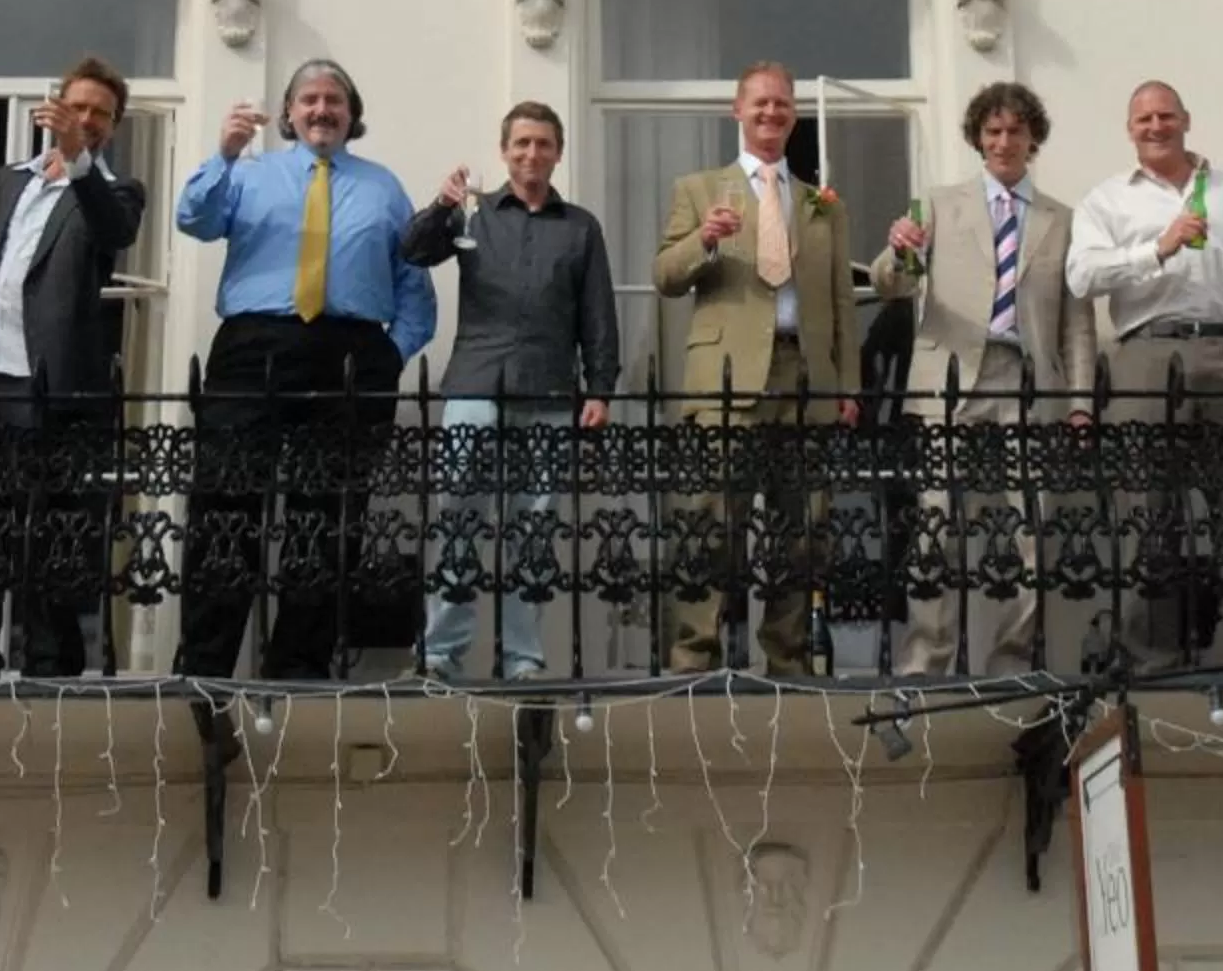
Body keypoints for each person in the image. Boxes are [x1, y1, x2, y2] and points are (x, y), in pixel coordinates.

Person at [174, 58, 436, 679]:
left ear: (352, 115)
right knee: (227, 507)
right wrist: (225, 152)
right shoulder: (248, 172)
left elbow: (412, 281)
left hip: (351, 350)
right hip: (254, 346)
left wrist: (386, 356)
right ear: (289, 114)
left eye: (335, 101)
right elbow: (194, 220)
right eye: (309, 100)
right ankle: (206, 666)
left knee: (330, 515)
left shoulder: (383, 187)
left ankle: (299, 666)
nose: (322, 110)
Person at [868, 80, 1096, 675]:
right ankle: (926, 660)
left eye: (1015, 130)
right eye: (992, 131)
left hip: (1024, 380)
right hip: (950, 378)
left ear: (1033, 138)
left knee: (1024, 532)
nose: (1004, 141)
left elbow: (1076, 322)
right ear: (977, 139)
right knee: (938, 525)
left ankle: (1010, 664)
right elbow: (892, 283)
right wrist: (896, 249)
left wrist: (1079, 403)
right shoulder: (941, 203)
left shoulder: (1061, 220)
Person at [1066, 80, 1223, 665]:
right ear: (1129, 129)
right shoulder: (1108, 199)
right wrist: (1156, 249)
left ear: (1186, 119)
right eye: (1143, 118)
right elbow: (1081, 277)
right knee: (1145, 513)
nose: (1156, 126)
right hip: (1145, 352)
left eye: (1166, 115)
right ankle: (1148, 663)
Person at [0, 57, 146, 680]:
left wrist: (76, 159)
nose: (86, 120)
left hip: (50, 386)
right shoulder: (8, 181)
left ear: (113, 126)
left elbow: (114, 232)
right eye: (77, 107)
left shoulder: (115, 191)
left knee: (50, 529)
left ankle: (52, 667)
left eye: (100, 114)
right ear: (57, 105)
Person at [651, 61, 861, 675]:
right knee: (711, 520)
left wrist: (846, 383)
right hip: (725, 376)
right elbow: (665, 276)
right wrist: (706, 240)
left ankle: (789, 657)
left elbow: (843, 301)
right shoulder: (698, 189)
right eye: (761, 104)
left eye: (783, 105)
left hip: (804, 373)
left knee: (803, 527)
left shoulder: (823, 203)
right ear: (736, 112)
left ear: (793, 115)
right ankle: (694, 655)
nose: (772, 113)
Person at [401, 100, 618, 682]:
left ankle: (521, 657)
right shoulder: (473, 215)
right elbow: (413, 251)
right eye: (521, 143)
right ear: (505, 151)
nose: (531, 154)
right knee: (459, 517)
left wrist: (600, 388)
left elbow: (598, 315)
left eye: (543, 144)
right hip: (475, 381)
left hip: (547, 389)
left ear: (558, 153)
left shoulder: (580, 227)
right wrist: (441, 205)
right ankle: (442, 651)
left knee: (534, 528)